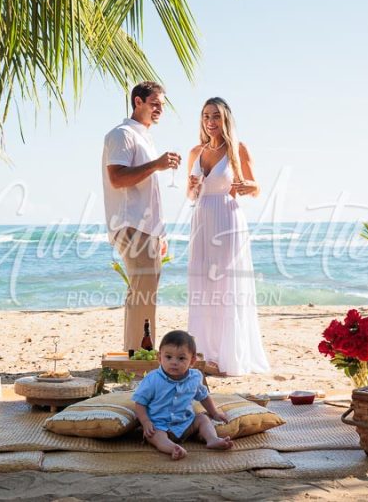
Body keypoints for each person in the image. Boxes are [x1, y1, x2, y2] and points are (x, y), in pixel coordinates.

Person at [185, 97, 270, 376]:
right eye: (206, 116)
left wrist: (247, 186)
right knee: (203, 285)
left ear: (226, 119)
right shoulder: (195, 152)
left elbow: (256, 187)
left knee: (225, 285)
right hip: (201, 218)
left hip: (228, 217)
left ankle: (228, 355)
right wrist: (192, 186)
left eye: (216, 116)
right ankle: (205, 354)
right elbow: (191, 194)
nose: (211, 122)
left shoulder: (238, 149)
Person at [102, 81, 182, 350]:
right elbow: (117, 178)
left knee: (142, 294)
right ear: (138, 102)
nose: (160, 109)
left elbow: (150, 193)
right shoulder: (121, 134)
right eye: (155, 103)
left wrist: (160, 233)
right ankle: (139, 357)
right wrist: (157, 164)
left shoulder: (143, 136)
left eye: (162, 105)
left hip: (147, 228)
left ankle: (136, 354)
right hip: (131, 224)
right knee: (143, 295)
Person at [132, 330, 234, 460]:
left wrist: (214, 413)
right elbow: (140, 403)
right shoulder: (153, 379)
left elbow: (203, 396)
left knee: (202, 419)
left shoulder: (195, 377)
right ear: (159, 357)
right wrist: (146, 422)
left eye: (181, 358)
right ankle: (172, 448)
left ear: (192, 360)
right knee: (154, 435)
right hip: (160, 425)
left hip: (186, 423)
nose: (174, 362)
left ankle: (212, 439)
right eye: (168, 357)